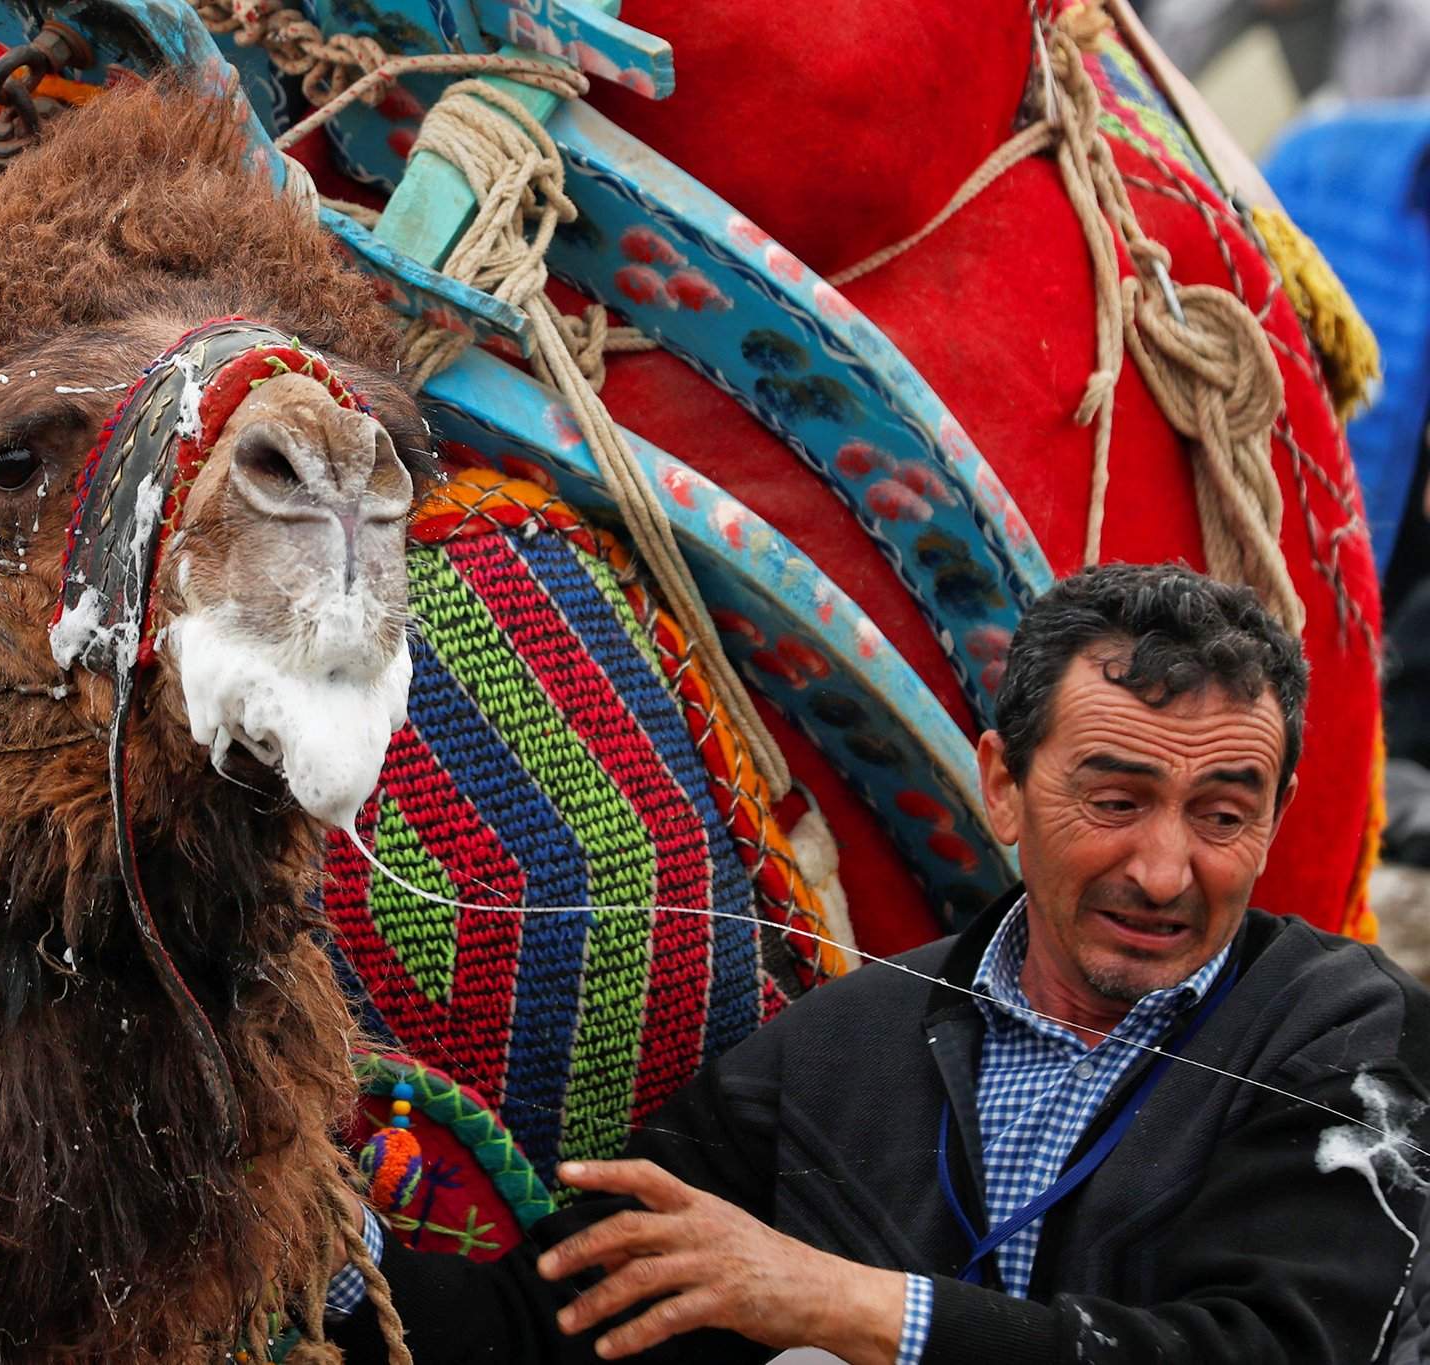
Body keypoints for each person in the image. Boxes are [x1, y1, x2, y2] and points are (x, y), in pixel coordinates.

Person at [334, 560, 1430, 1364]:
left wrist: (852, 1308)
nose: (1161, 868)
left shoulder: (1346, 1036)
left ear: (1276, 818)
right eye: (1113, 801)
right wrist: (320, 1272)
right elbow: (566, 1319)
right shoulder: (840, 1046)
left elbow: (1271, 1349)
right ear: (1001, 787)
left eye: (1221, 815)